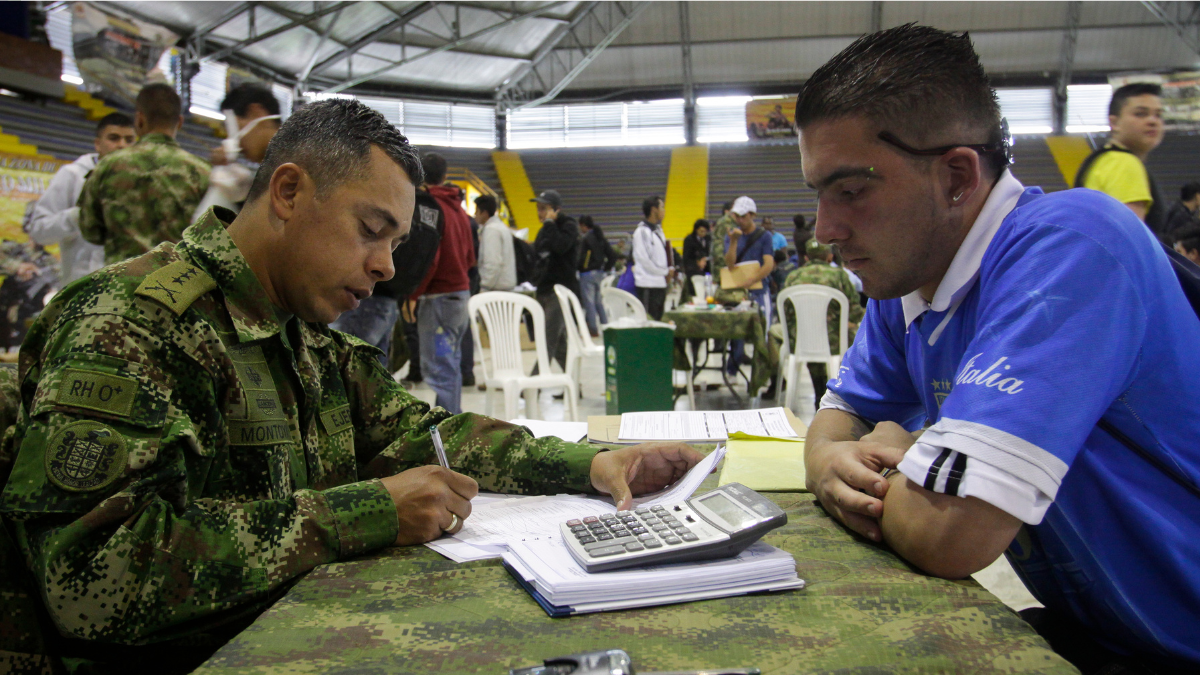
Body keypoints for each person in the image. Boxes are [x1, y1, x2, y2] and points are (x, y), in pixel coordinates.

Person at [0, 99, 703, 673]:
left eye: (395, 243)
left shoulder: (304, 335)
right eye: (372, 231)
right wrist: (360, 513)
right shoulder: (131, 326)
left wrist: (590, 461)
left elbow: (427, 434)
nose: (384, 269)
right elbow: (90, 575)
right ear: (288, 191)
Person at [797, 24, 1199, 672]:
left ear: (957, 176)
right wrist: (823, 463)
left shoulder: (1074, 245)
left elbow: (949, 533)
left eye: (850, 191)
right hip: (1100, 631)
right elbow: (836, 421)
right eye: (818, 194)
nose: (825, 230)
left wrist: (913, 454)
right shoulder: (907, 284)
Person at [79, 83, 210, 264]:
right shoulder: (201, 171)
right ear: (179, 122)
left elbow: (90, 231)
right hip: (179, 285)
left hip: (122, 285)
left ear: (139, 120)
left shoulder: (107, 166)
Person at [26, 112, 134, 284]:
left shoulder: (142, 182)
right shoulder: (72, 175)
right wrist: (79, 215)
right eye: (114, 138)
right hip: (81, 289)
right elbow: (40, 231)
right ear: (98, 144)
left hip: (126, 289)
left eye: (129, 140)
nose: (122, 145)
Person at [408, 152, 476, 414]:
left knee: (439, 369)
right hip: (460, 294)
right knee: (451, 365)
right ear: (445, 176)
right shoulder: (459, 208)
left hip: (439, 297)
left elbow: (429, 257)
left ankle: (449, 433)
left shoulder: (430, 207)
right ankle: (454, 422)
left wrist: (414, 294)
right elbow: (471, 257)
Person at [779, 238, 863, 405]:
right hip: (834, 341)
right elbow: (854, 308)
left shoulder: (793, 276)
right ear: (829, 257)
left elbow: (786, 311)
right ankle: (845, 393)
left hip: (801, 341)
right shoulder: (839, 275)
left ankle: (819, 393)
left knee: (810, 341)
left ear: (806, 258)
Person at [1075, 82, 1166, 235]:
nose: (1153, 121)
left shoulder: (1103, 160)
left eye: (1158, 115)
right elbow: (1130, 239)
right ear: (1114, 122)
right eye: (1140, 114)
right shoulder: (1123, 163)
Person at [531, 190, 580, 372]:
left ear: (556, 210)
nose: (540, 213)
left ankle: (532, 384)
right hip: (544, 290)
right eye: (538, 209)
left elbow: (560, 246)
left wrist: (550, 224)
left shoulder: (569, 226)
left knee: (548, 340)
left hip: (560, 291)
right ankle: (573, 384)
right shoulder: (544, 230)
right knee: (558, 343)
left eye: (544, 209)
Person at [632, 195, 672, 321]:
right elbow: (645, 260)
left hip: (659, 283)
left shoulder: (659, 230)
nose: (664, 211)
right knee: (649, 322)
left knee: (658, 321)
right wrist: (665, 272)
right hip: (647, 285)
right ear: (654, 210)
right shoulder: (642, 232)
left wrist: (669, 270)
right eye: (662, 207)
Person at [577, 215, 616, 334]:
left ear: (583, 226)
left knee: (589, 303)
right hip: (599, 273)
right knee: (598, 302)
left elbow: (579, 258)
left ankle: (593, 329)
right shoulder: (600, 237)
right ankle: (605, 326)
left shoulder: (585, 239)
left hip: (587, 273)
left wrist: (580, 267)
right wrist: (606, 268)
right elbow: (612, 255)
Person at [476, 194, 515, 292]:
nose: (474, 215)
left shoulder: (492, 230)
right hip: (503, 286)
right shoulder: (500, 226)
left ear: (484, 213)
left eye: (476, 212)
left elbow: (493, 262)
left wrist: (484, 285)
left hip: (496, 289)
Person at [681, 218, 710, 301]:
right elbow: (686, 258)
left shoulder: (708, 239)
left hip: (706, 272)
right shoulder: (689, 240)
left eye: (705, 231)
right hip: (693, 272)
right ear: (696, 230)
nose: (703, 233)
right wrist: (697, 263)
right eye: (701, 231)